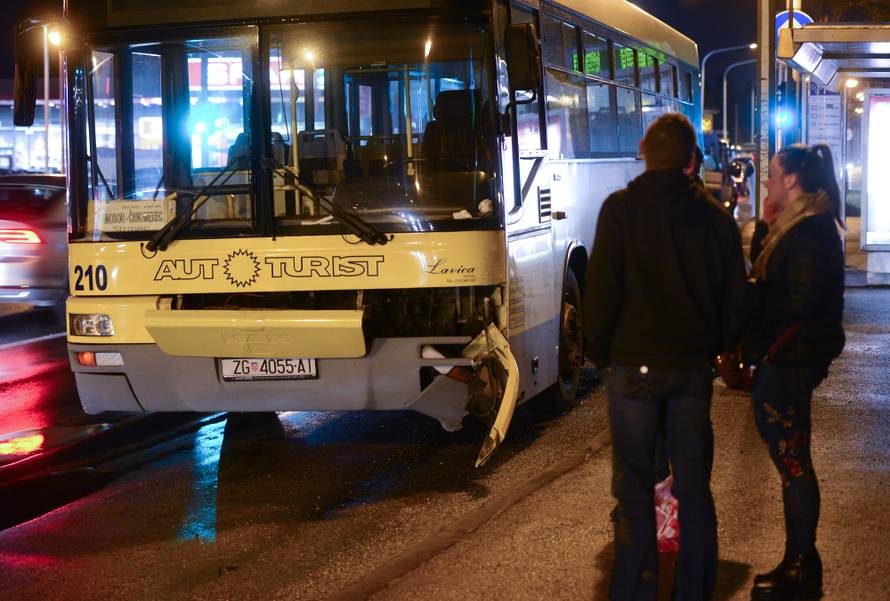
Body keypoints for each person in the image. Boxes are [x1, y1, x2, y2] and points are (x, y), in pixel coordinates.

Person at [585, 114, 747, 601]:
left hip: (632, 369)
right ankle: (693, 591)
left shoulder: (619, 210)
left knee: (634, 489)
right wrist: (721, 348)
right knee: (693, 490)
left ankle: (637, 588)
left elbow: (601, 291)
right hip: (690, 370)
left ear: (643, 150)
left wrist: (601, 354)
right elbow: (733, 298)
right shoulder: (714, 218)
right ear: (691, 158)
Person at [745, 144, 845, 601]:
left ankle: (802, 565)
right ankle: (799, 560)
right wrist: (766, 224)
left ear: (791, 180)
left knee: (793, 461)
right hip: (793, 357)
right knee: (793, 460)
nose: (766, 182)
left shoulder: (808, 231)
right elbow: (769, 274)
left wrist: (757, 313)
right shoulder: (801, 223)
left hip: (790, 359)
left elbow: (796, 301)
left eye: (772, 174)